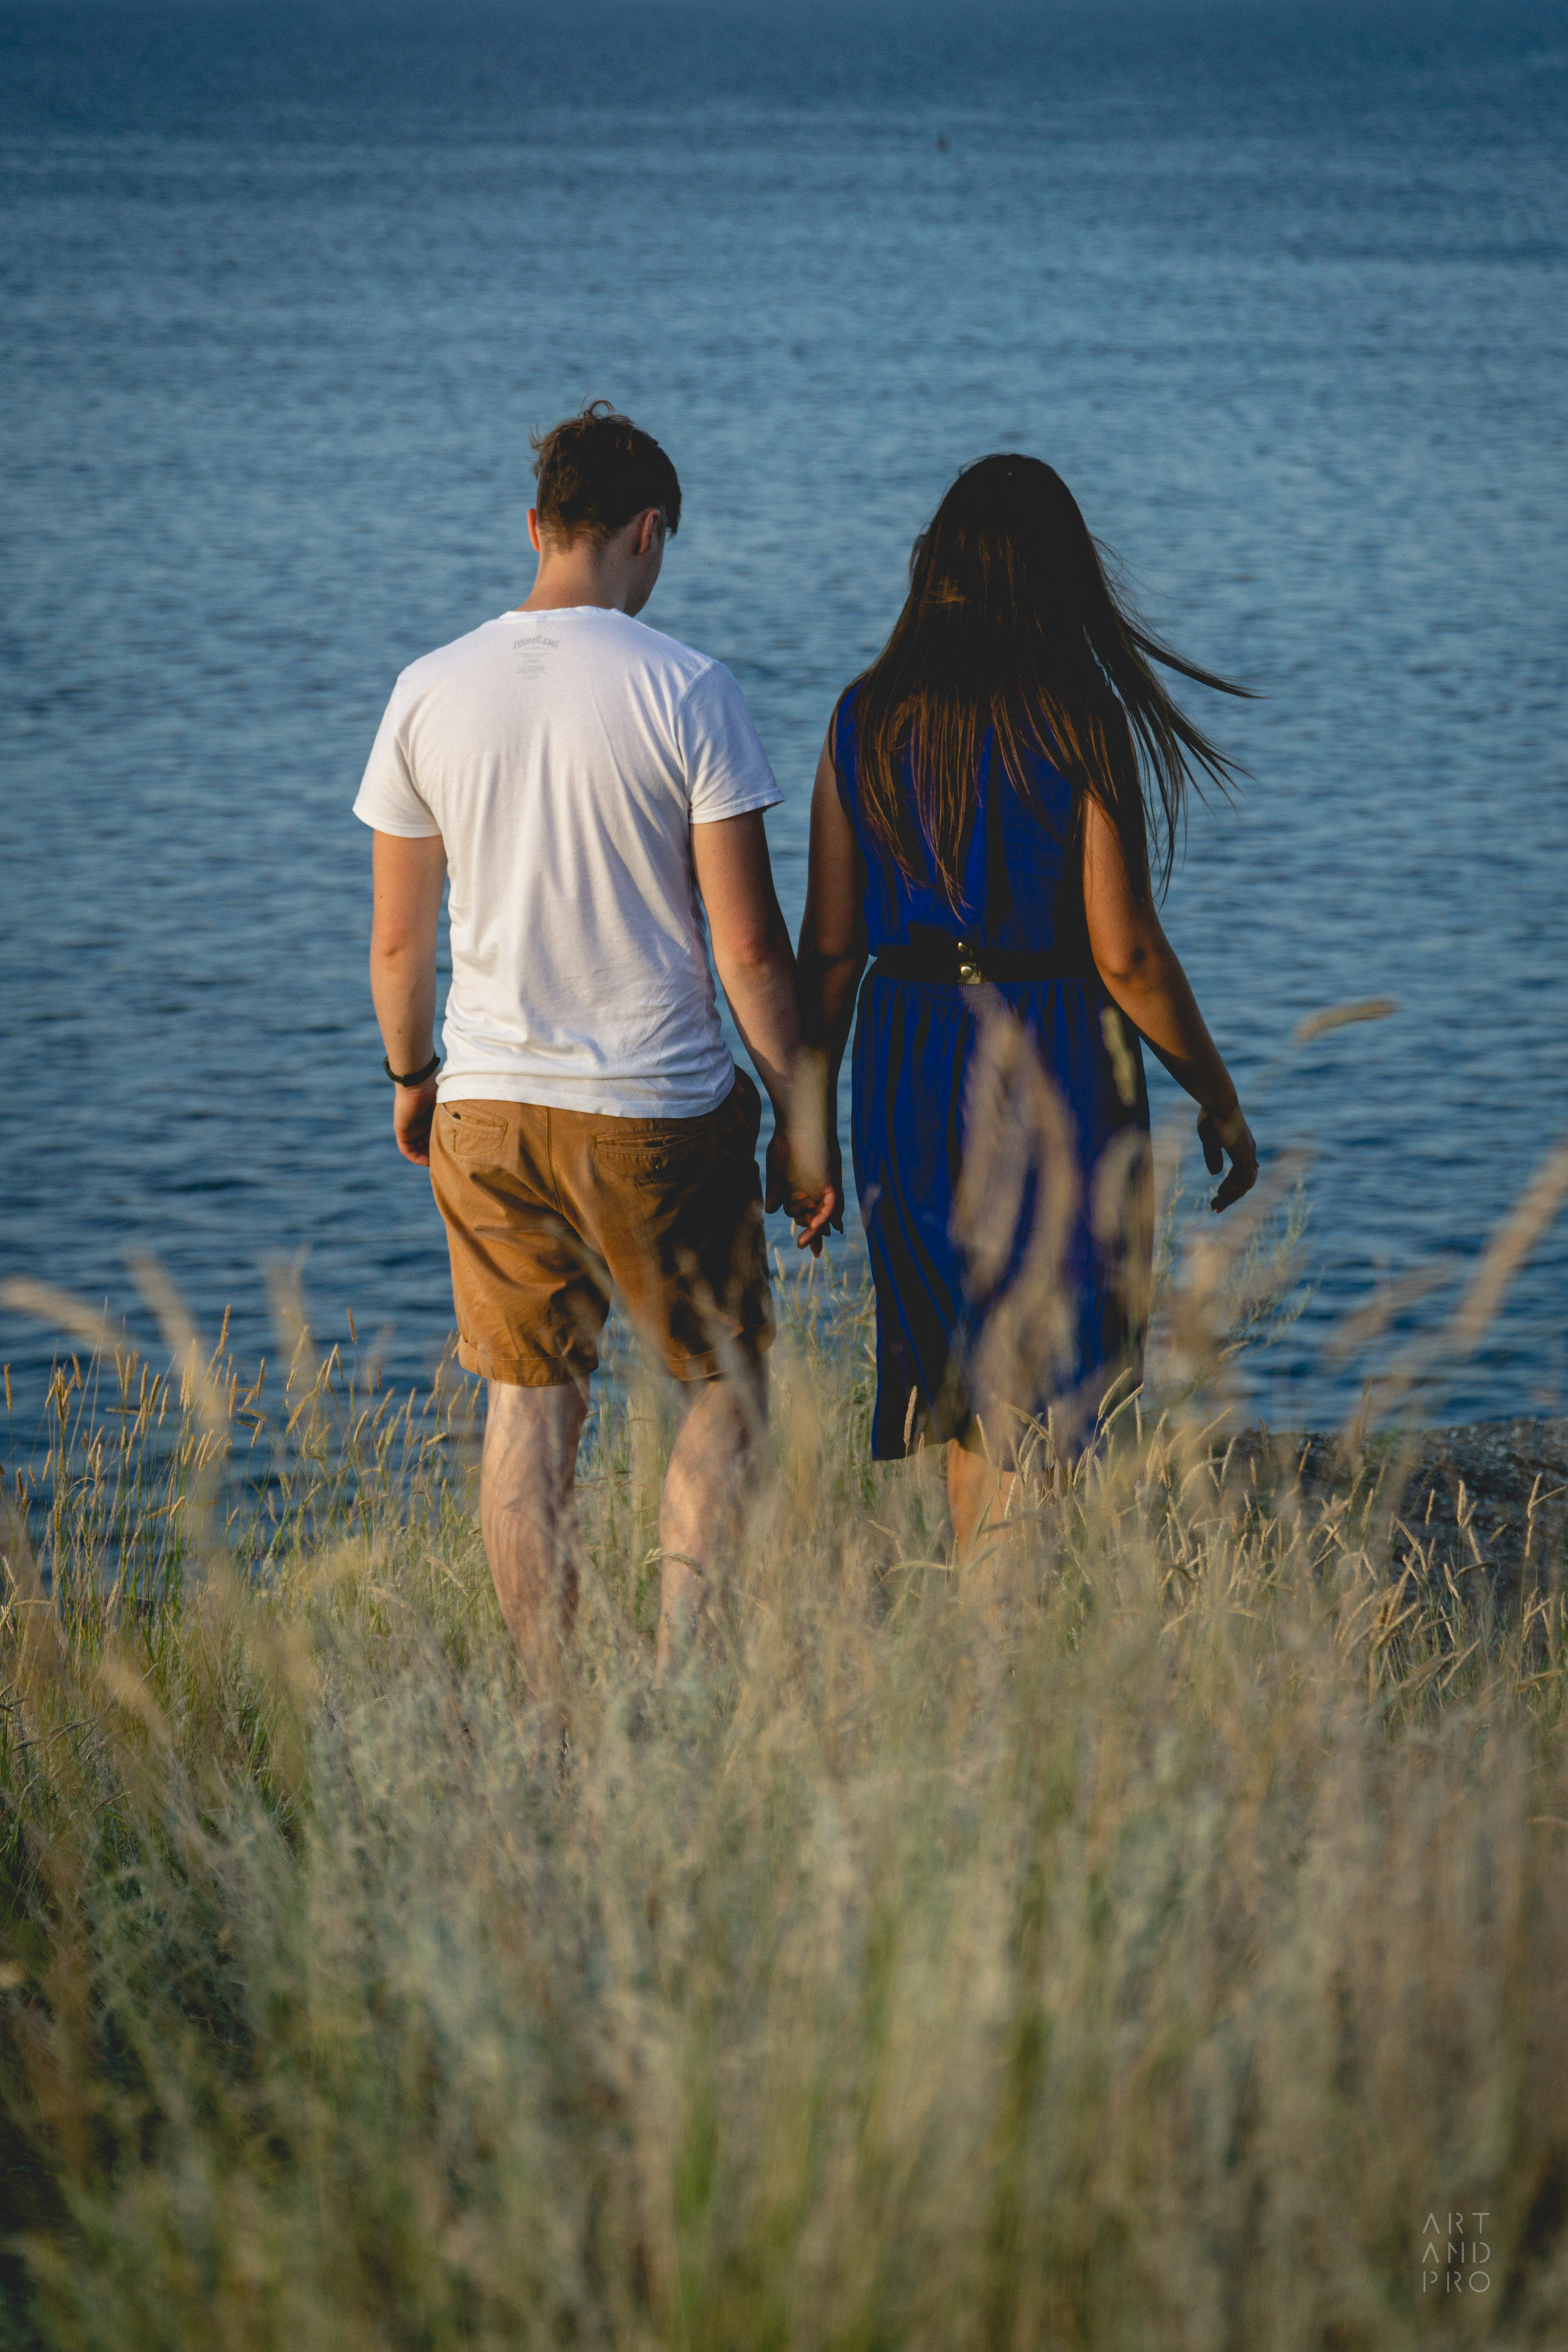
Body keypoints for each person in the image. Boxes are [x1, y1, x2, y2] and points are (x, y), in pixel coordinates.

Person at [355, 404, 835, 1682]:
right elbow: (745, 950)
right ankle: (680, 1689)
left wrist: (414, 1081)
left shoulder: (425, 690)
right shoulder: (687, 688)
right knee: (722, 1388)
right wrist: (804, 1116)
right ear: (647, 531)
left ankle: (557, 1723)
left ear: (535, 528)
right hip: (658, 1112)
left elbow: (399, 950)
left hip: (487, 1106)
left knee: (528, 1405)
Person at [795, 454, 1258, 1553]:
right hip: (1052, 1053)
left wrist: (800, 1128)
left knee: (963, 1391)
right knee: (1046, 1388)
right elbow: (1128, 952)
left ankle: (978, 1649)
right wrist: (1220, 1099)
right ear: (1059, 578)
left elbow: (826, 950)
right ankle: (1004, 1661)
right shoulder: (1077, 718)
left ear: (936, 568)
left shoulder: (863, 717)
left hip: (907, 1061)